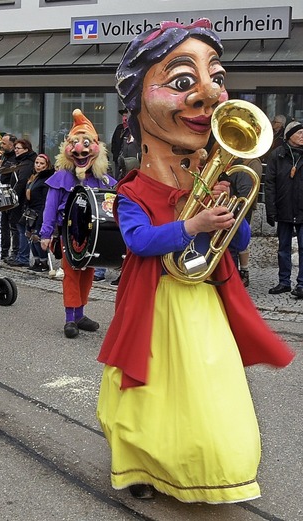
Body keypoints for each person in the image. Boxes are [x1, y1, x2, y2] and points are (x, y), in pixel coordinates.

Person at [96, 20, 295, 503]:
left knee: (210, 393)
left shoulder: (207, 181)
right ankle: (140, 467)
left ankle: (213, 470)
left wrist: (229, 214)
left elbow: (241, 236)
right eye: (183, 82)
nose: (208, 94)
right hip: (157, 302)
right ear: (137, 104)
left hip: (204, 304)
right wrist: (191, 225)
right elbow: (139, 242)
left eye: (216, 78)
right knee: (150, 393)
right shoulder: (132, 192)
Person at [39, 108, 115, 338]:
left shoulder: (102, 179)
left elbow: (113, 202)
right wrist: (46, 232)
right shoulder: (62, 177)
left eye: (86, 143)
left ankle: (80, 313)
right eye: (75, 143)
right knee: (71, 274)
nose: (80, 150)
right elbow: (50, 206)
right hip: (69, 233)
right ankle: (70, 318)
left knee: (88, 273)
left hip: (94, 236)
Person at [264, 120, 303, 298]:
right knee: (283, 248)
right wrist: (271, 211)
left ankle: (302, 284)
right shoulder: (276, 155)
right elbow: (270, 184)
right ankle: (284, 282)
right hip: (284, 207)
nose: (302, 135)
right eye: (299, 132)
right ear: (289, 136)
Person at [226, 156, 262, 287]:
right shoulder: (236, 165)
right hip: (231, 209)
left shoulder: (249, 164)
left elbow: (245, 192)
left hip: (238, 210)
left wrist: (234, 209)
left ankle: (236, 277)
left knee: (235, 245)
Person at [6, 139, 37, 267]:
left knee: (20, 228)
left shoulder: (27, 164)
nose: (16, 150)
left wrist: (13, 198)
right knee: (17, 227)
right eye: (15, 148)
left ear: (26, 149)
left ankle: (20, 256)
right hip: (19, 199)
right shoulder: (21, 162)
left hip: (22, 201)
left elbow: (22, 182)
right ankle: (17, 254)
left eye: (18, 148)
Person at [22, 153, 54, 272]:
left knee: (37, 237)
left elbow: (46, 201)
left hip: (40, 211)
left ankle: (43, 262)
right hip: (30, 211)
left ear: (46, 165)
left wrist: (41, 217)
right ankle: (36, 260)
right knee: (29, 236)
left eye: (41, 164)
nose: (38, 166)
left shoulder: (46, 180)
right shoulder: (33, 177)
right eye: (37, 163)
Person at [0, 133, 18, 260]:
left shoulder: (15, 159)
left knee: (13, 225)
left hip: (10, 193)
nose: (1, 145)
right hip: (1, 193)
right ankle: (3, 250)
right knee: (3, 223)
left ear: (12, 145)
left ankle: (15, 252)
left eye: (4, 143)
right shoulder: (4, 156)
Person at [110, 108, 141, 180]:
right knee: (117, 177)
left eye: (126, 116)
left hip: (128, 160)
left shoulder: (133, 130)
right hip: (117, 159)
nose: (125, 118)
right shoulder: (119, 128)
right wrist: (115, 154)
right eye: (124, 116)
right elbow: (114, 142)